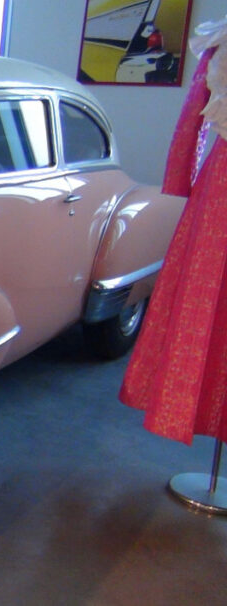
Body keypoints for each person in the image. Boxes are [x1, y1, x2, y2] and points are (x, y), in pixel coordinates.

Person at [120, 15, 227, 445]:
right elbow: (191, 124)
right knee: (205, 305)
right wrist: (178, 181)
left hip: (219, 196)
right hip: (221, 196)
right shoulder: (223, 39)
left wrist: (181, 180)